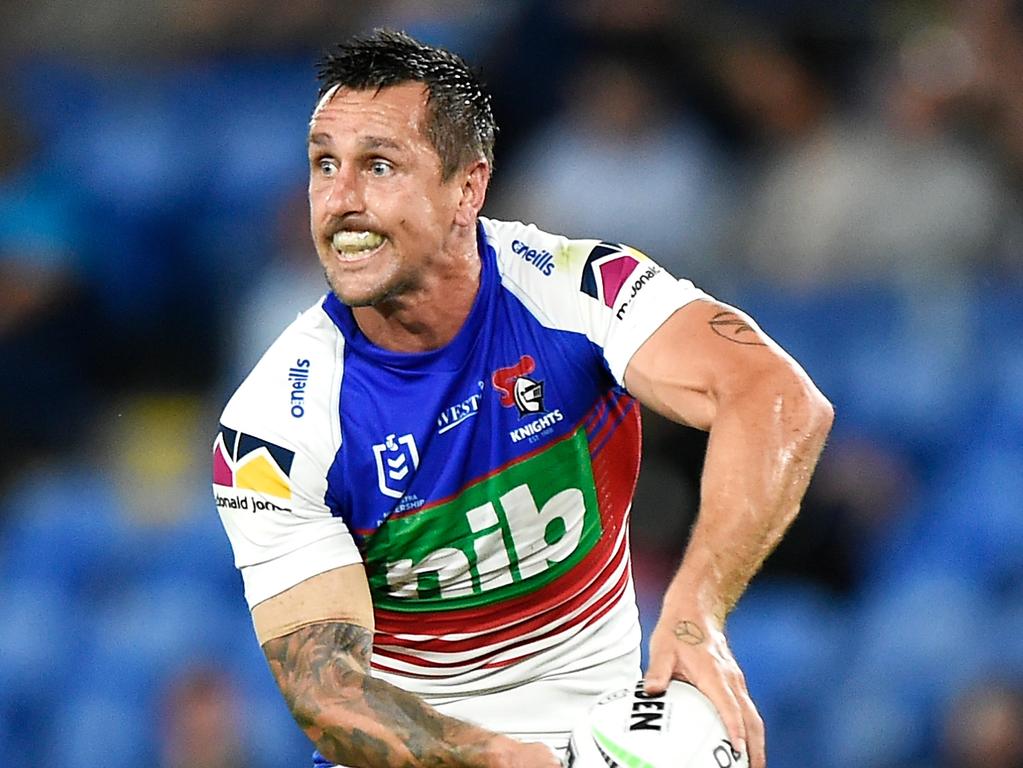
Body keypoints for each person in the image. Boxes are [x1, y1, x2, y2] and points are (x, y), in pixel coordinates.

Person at [212, 29, 833, 768]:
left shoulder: (575, 290)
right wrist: (507, 760)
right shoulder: (272, 426)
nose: (339, 201)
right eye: (323, 165)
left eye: (378, 165)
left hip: (607, 735)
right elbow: (326, 693)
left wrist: (697, 613)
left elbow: (777, 397)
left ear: (466, 188)